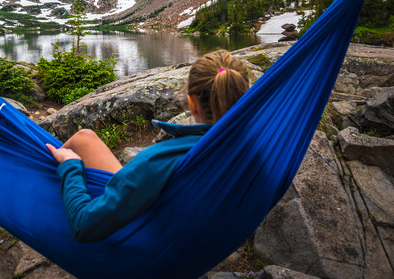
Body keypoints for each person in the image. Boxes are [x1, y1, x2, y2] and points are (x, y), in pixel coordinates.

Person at [46, 49, 250, 242]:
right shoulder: (253, 146)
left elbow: (83, 226)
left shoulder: (162, 159)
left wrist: (71, 166)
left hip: (144, 242)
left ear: (192, 103)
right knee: (85, 138)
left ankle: (41, 187)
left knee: (77, 145)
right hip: (192, 233)